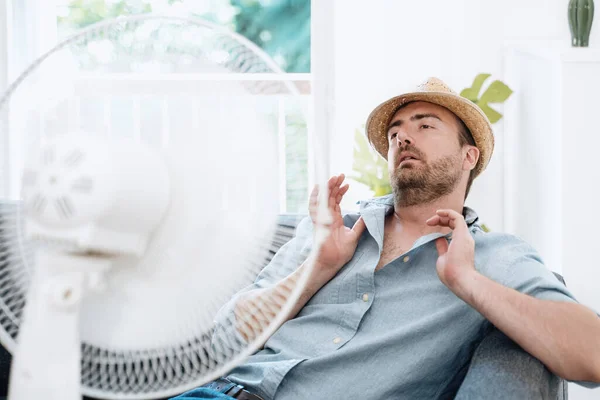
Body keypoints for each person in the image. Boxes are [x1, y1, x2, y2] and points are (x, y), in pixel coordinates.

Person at [173, 78, 600, 400]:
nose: (403, 137)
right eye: (395, 131)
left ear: (469, 156)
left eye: (425, 125)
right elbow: (224, 339)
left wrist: (469, 282)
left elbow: (592, 356)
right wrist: (316, 269)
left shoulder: (493, 257)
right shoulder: (332, 229)